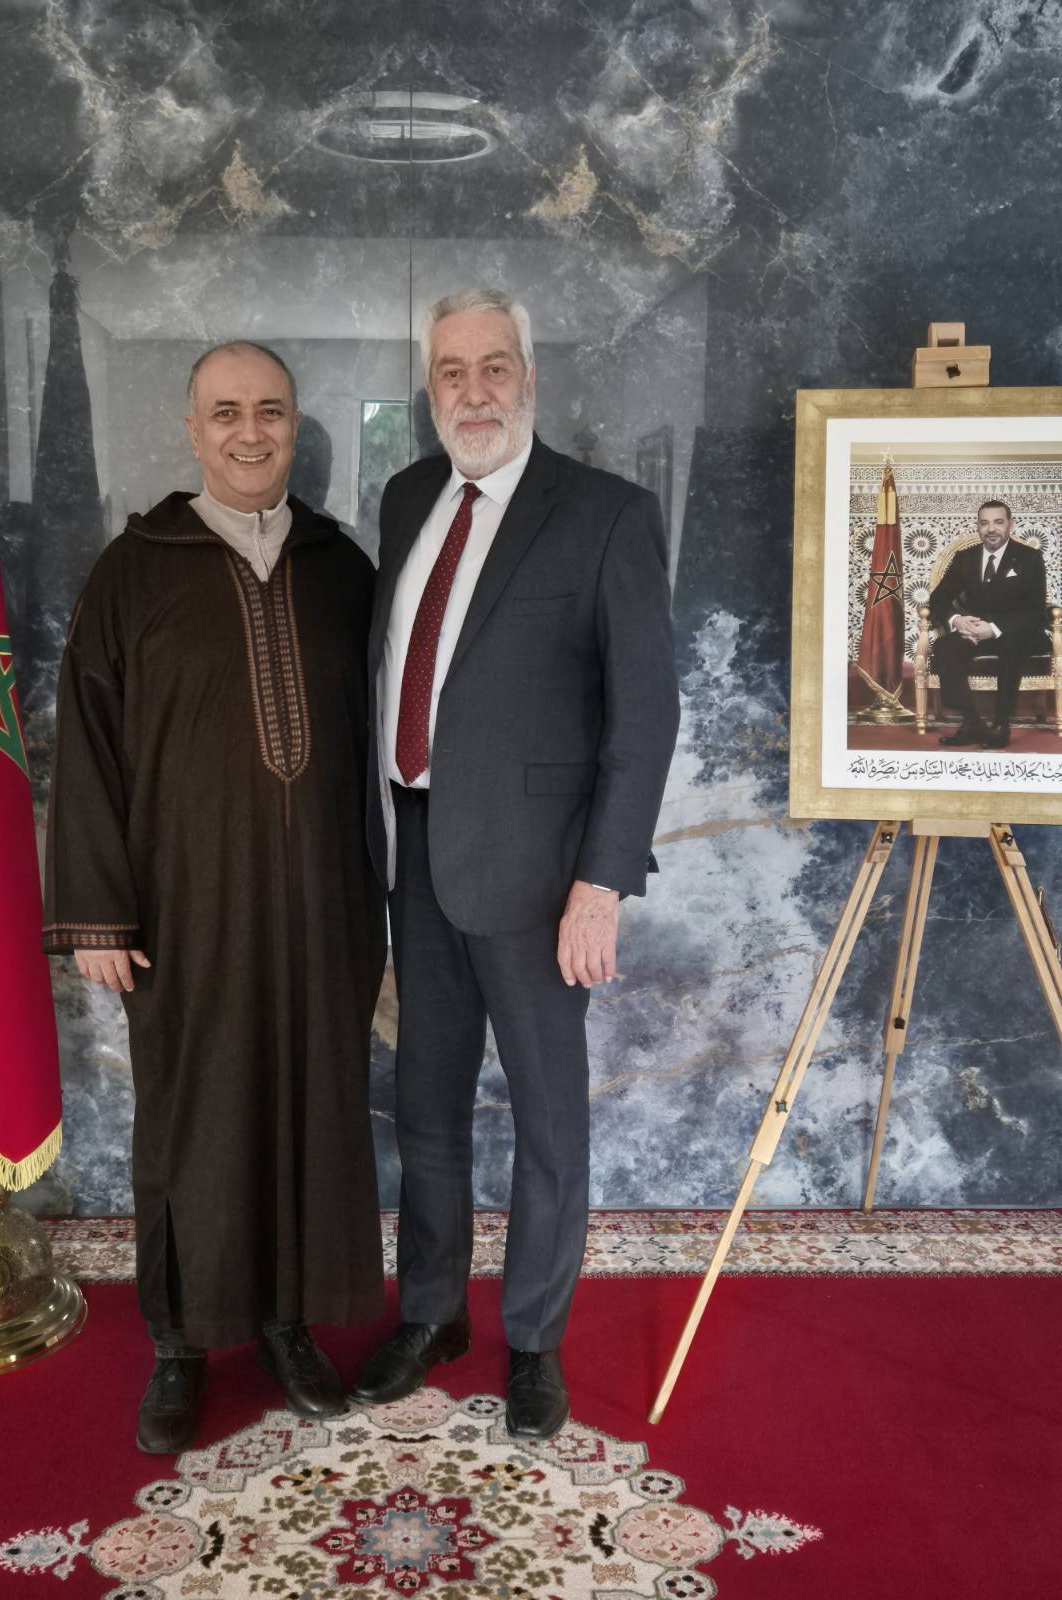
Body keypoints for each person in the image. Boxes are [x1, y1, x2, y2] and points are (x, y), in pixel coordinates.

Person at [42, 342, 386, 1453]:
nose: (250, 432)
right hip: (185, 909)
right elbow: (87, 747)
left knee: (310, 1108)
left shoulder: (343, 570)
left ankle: (286, 1324)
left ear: (295, 426)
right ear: (192, 431)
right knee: (194, 1119)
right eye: (226, 412)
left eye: (270, 411)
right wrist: (98, 912)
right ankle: (181, 1343)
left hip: (325, 904)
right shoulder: (132, 569)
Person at [352, 288, 679, 1439]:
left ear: (528, 377)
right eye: (452, 371)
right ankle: (431, 1313)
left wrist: (602, 882)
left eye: (495, 366)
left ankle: (534, 1339)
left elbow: (645, 716)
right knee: (426, 1108)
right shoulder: (406, 498)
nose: (474, 390)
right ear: (429, 387)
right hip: (416, 857)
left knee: (547, 1121)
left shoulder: (605, 514)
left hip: (542, 883)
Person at [929, 499, 1047, 748]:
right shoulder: (966, 558)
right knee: (944, 647)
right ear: (978, 526)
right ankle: (972, 722)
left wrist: (993, 630)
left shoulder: (1029, 558)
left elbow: (1034, 612)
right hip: (975, 632)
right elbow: (937, 599)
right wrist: (957, 620)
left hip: (1018, 632)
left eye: (998, 522)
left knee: (1011, 645)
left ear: (1010, 525)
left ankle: (1001, 724)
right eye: (984, 523)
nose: (991, 529)